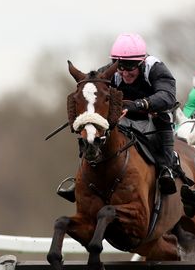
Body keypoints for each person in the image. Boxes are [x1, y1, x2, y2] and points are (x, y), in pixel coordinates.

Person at [57, 33, 179, 202]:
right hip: (122, 120)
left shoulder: (155, 67)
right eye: (121, 67)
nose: (125, 73)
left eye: (131, 68)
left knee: (163, 117)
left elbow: (167, 96)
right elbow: (91, 91)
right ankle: (81, 178)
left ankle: (167, 168)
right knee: (93, 132)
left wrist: (139, 104)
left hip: (152, 119)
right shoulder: (109, 71)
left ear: (142, 62)